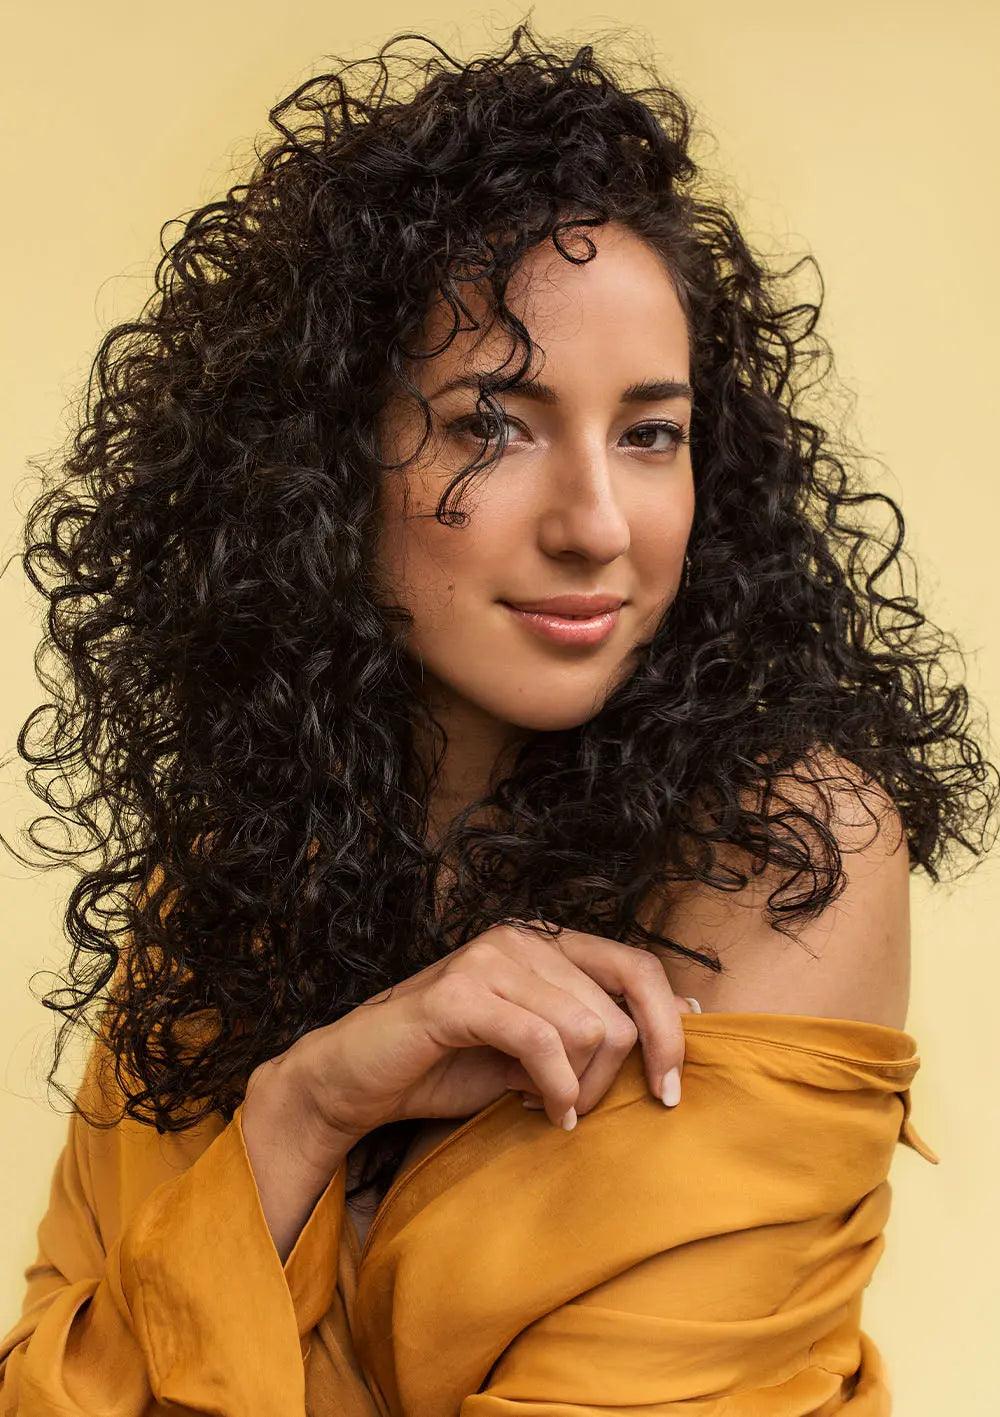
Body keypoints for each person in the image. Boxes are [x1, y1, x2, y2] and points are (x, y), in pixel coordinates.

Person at [0, 18, 993, 1415]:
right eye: (494, 425)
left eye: (650, 433)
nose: (598, 525)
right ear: (321, 460)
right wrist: (303, 1109)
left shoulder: (784, 856)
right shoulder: (231, 870)